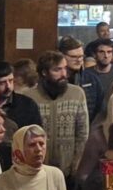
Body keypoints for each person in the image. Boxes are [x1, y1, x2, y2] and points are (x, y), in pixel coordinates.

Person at [25, 50, 90, 181]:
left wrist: (76, 166)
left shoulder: (76, 94)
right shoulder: (29, 97)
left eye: (65, 68)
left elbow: (82, 133)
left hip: (68, 171)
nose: (63, 74)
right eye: (57, 70)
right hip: (37, 170)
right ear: (44, 72)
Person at [0, 61, 43, 131]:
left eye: (11, 81)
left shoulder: (28, 105)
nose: (8, 86)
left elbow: (36, 132)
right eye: (2, 83)